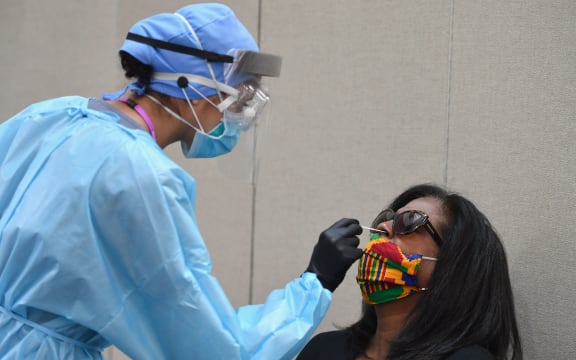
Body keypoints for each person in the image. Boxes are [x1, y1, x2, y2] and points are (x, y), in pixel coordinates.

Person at [0, 4, 363, 359]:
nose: (241, 113)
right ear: (191, 86)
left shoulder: (47, 116)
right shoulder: (142, 175)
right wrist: (314, 283)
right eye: (240, 95)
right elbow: (209, 345)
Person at [296, 184, 523, 360]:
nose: (383, 228)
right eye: (385, 220)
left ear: (451, 266)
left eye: (409, 222)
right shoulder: (324, 349)